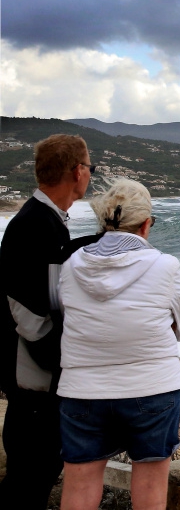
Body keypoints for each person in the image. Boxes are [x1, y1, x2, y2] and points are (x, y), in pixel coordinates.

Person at [57, 178, 180, 510]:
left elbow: (67, 315)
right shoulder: (165, 265)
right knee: (150, 491)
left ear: (103, 221)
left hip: (82, 390)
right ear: (146, 224)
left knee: (79, 487)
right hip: (152, 386)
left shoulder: (71, 266)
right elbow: (179, 327)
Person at [0, 134, 98, 509]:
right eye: (90, 167)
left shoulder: (44, 221)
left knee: (32, 480)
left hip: (34, 378)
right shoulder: (36, 224)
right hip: (33, 381)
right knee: (29, 481)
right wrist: (61, 362)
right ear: (77, 172)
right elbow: (25, 308)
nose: (90, 174)